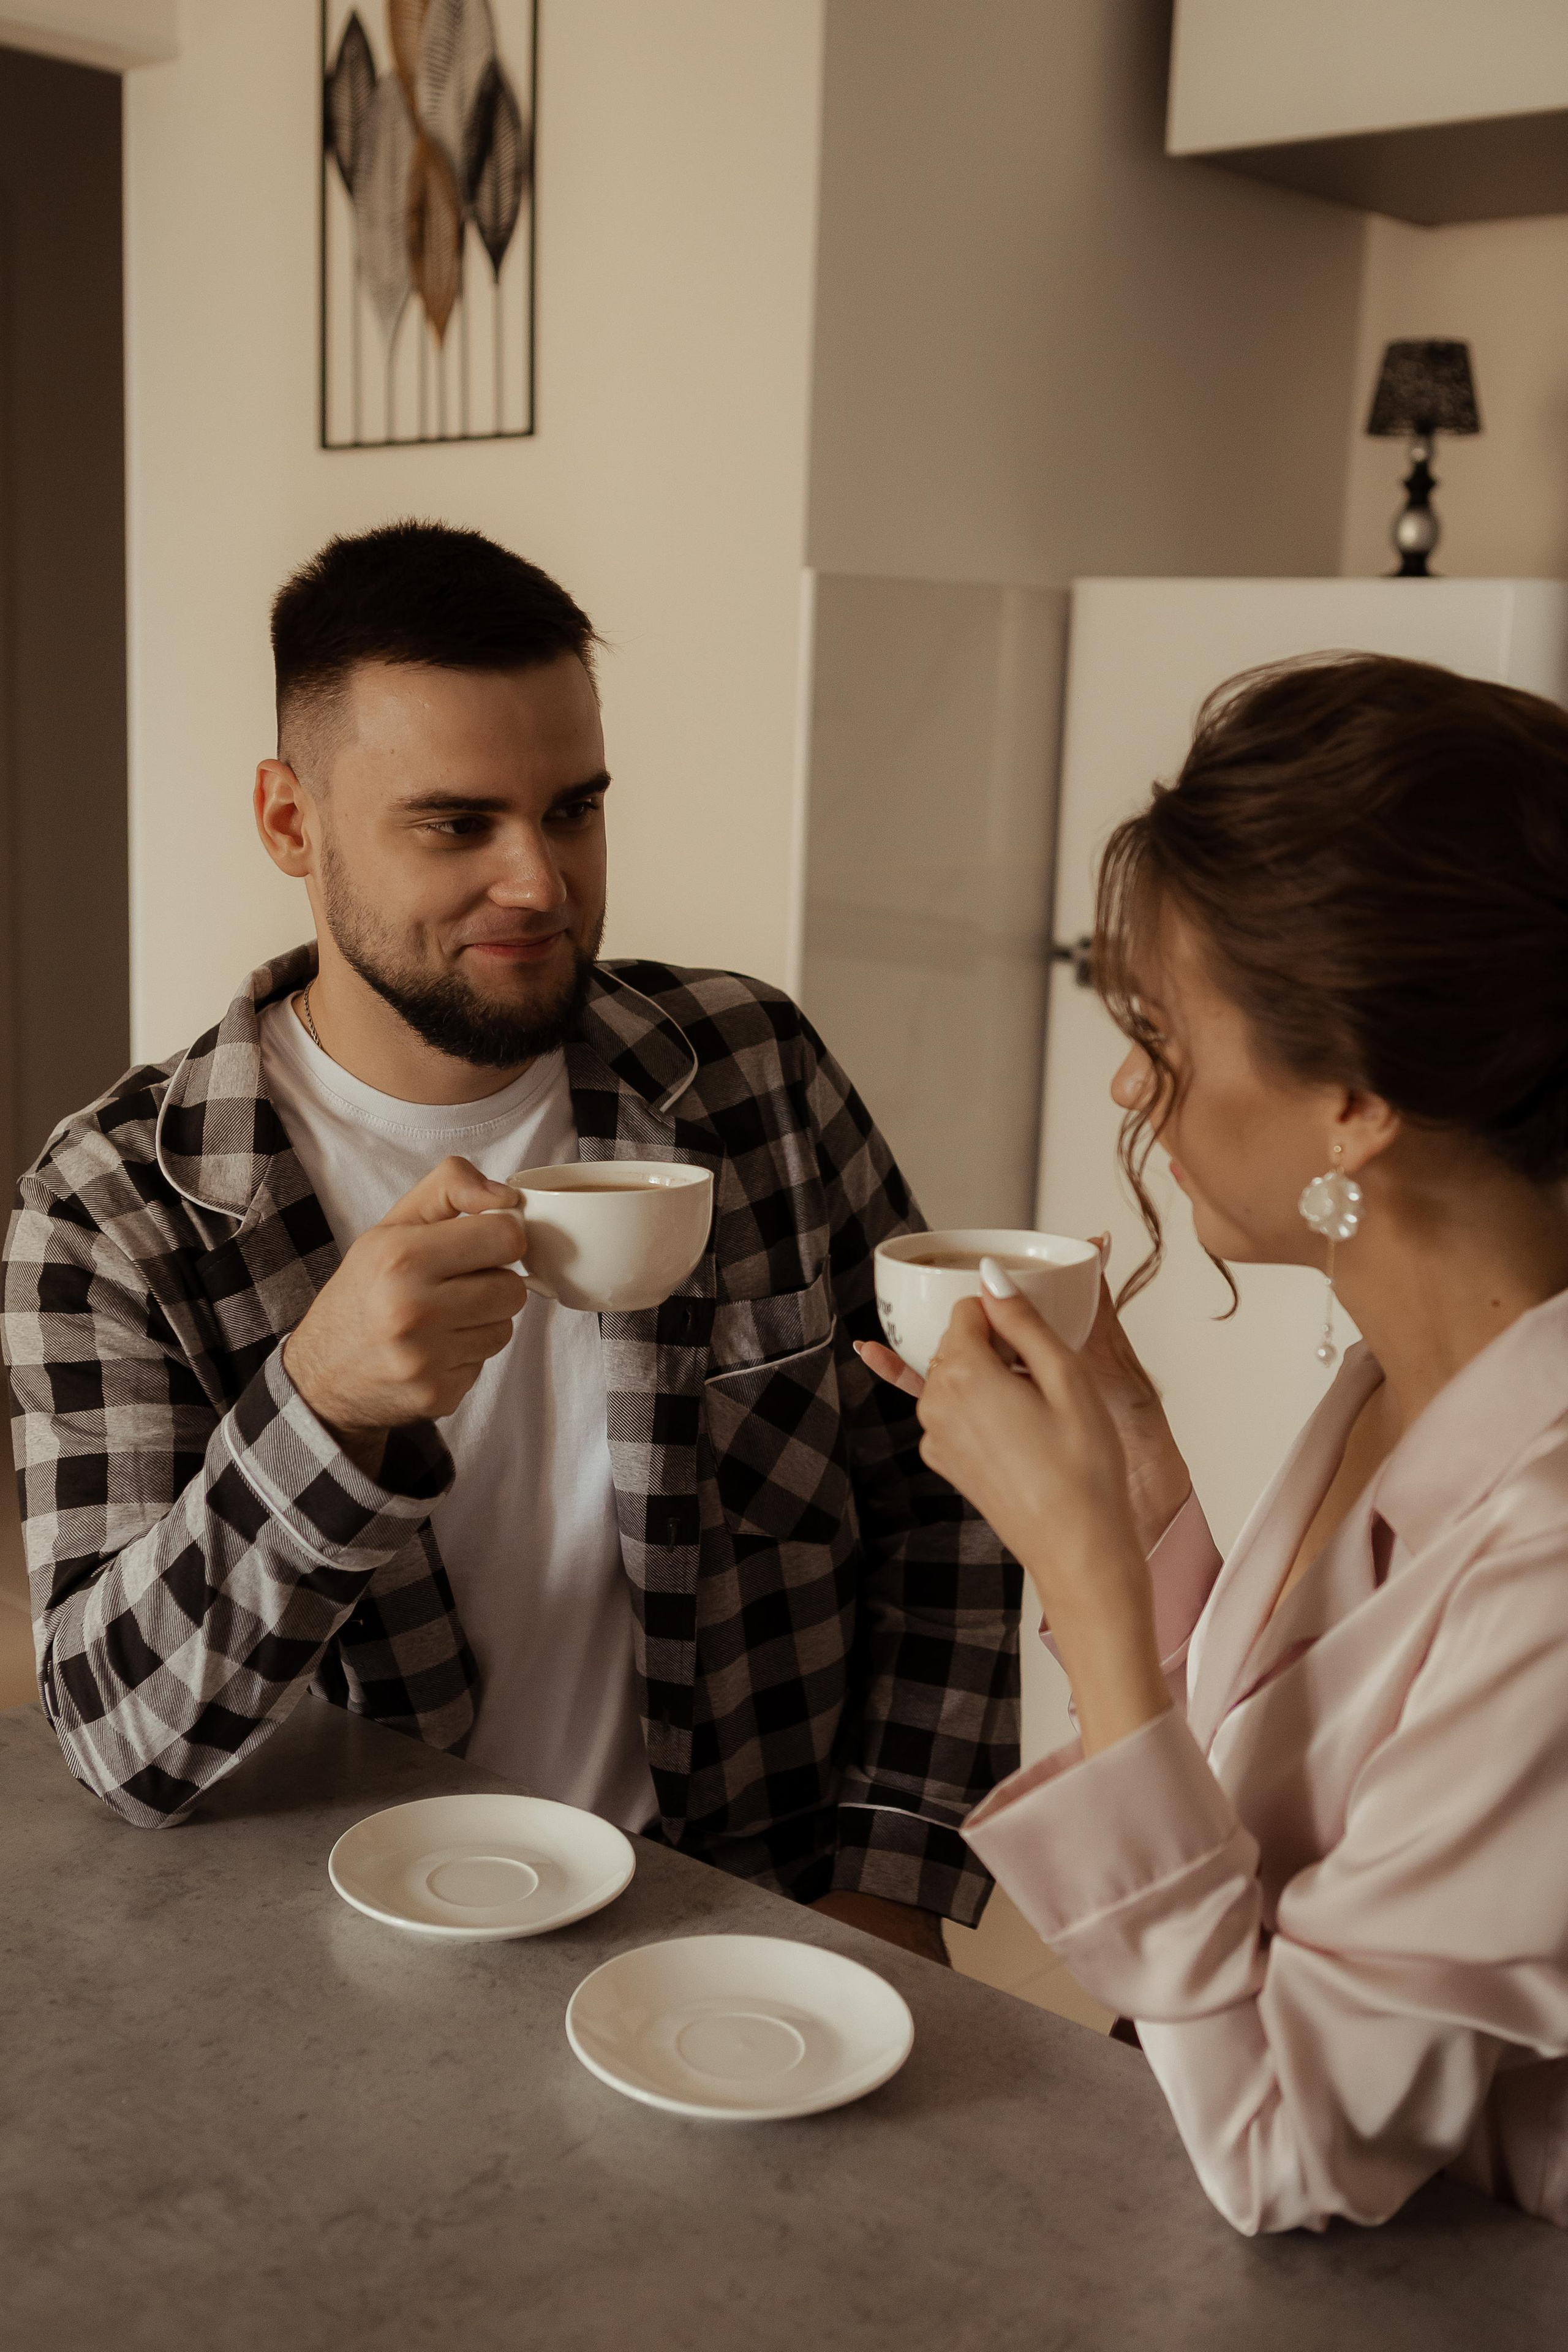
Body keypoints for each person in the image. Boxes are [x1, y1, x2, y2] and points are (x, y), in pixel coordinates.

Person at [2, 519, 1019, 1962]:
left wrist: (892, 1877)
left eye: (573, 810)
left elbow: (944, 1491)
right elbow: (118, 1743)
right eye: (455, 823)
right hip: (361, 1973)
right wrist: (326, 1411)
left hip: (747, 1932)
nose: (538, 882)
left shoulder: (751, 1073)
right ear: (291, 823)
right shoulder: (112, 1208)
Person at [862, 653, 1568, 2228]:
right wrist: (1130, 1456)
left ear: (1353, 1102)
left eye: (1161, 1027)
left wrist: (1084, 1588)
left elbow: (1287, 2148)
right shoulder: (1406, 1373)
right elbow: (1279, 1756)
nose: (1129, 1080)